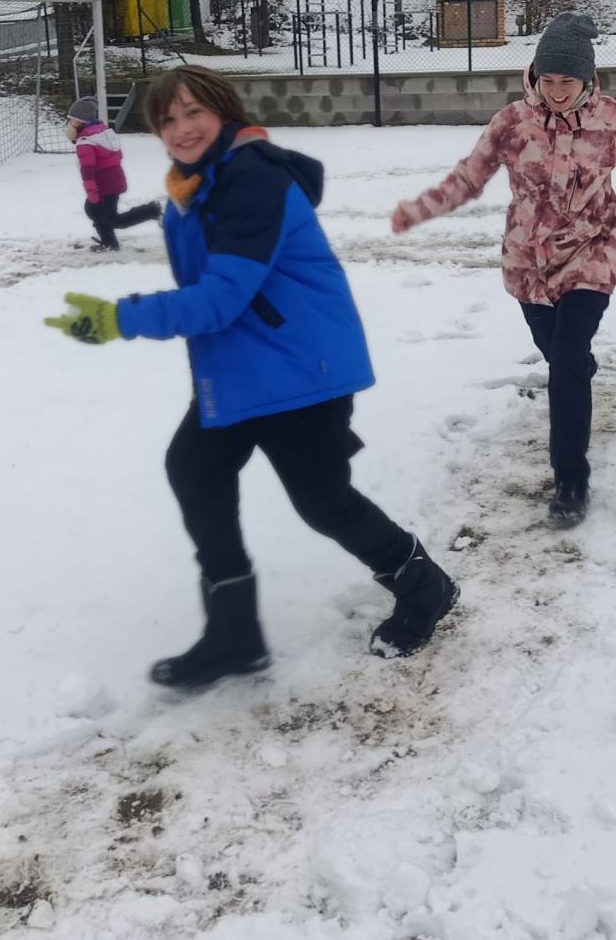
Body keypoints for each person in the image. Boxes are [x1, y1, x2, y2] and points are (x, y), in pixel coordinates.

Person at [43, 68, 458, 688]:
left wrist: (120, 317)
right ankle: (233, 633)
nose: (181, 129)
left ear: (224, 110)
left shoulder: (251, 179)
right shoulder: (198, 182)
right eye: (166, 120)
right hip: (243, 368)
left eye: (193, 113)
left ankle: (425, 585)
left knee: (323, 502)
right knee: (195, 468)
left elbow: (218, 300)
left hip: (300, 368)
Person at [391, 13, 616, 528]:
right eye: (548, 79)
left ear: (587, 79)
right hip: (528, 265)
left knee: (567, 361)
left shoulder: (609, 119)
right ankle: (575, 372)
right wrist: (419, 209)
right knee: (563, 359)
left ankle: (570, 481)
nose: (556, 91)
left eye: (567, 81)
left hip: (590, 254)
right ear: (535, 74)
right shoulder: (512, 123)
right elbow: (470, 177)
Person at [66, 97, 163, 249]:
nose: (69, 124)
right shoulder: (100, 133)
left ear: (80, 121)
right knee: (95, 211)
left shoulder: (86, 142)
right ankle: (109, 242)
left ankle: (151, 210)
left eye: (71, 120)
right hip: (113, 181)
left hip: (104, 185)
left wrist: (93, 195)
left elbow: (88, 173)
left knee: (112, 219)